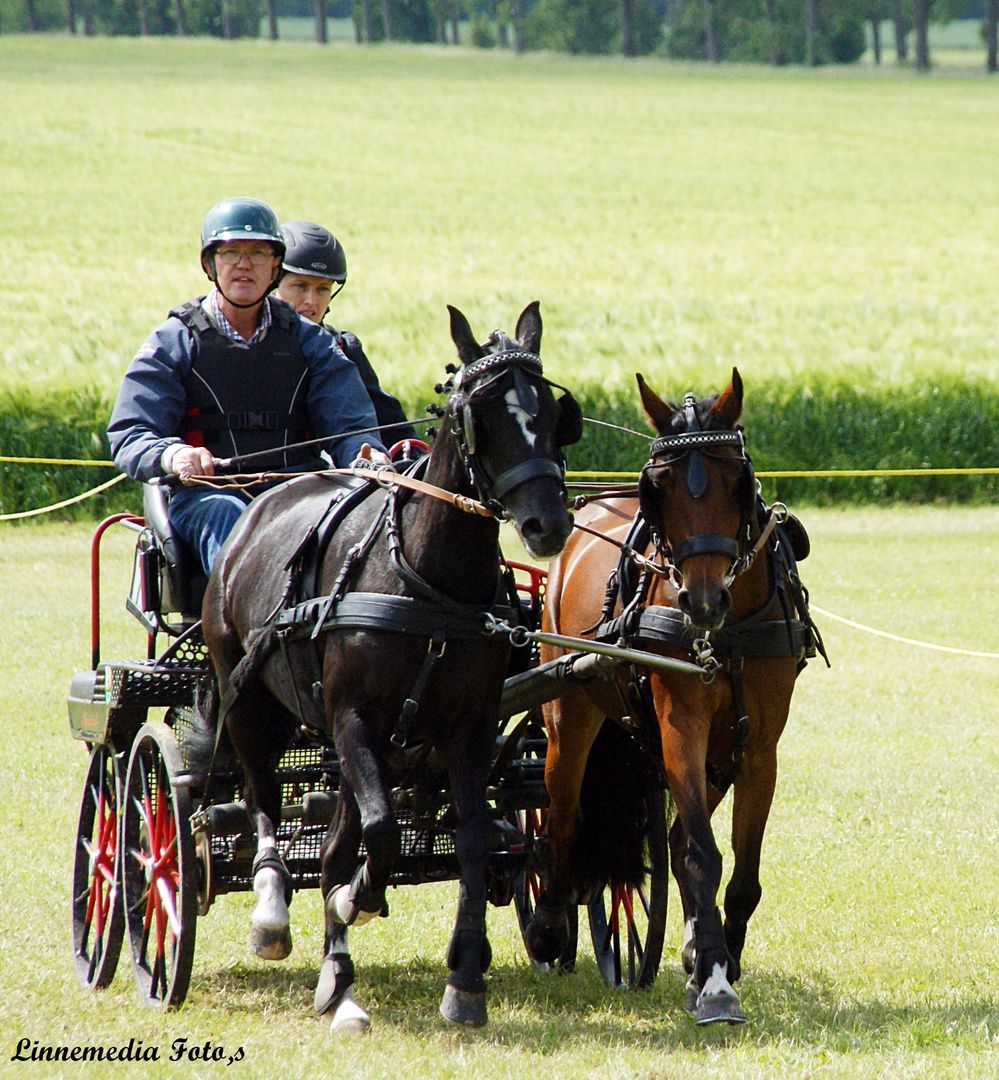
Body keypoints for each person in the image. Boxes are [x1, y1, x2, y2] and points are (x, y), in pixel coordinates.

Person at [108, 197, 389, 575]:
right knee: (227, 514)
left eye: (258, 252)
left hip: (301, 492)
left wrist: (365, 455)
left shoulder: (313, 343)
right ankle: (259, 629)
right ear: (210, 264)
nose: (244, 264)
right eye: (230, 252)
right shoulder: (173, 341)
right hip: (209, 498)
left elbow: (351, 426)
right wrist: (172, 455)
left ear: (275, 266)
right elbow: (131, 432)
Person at [275, 220, 420, 448]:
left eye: (323, 289)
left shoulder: (344, 348)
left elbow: (392, 428)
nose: (311, 300)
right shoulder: (248, 342)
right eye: (300, 286)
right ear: (273, 284)